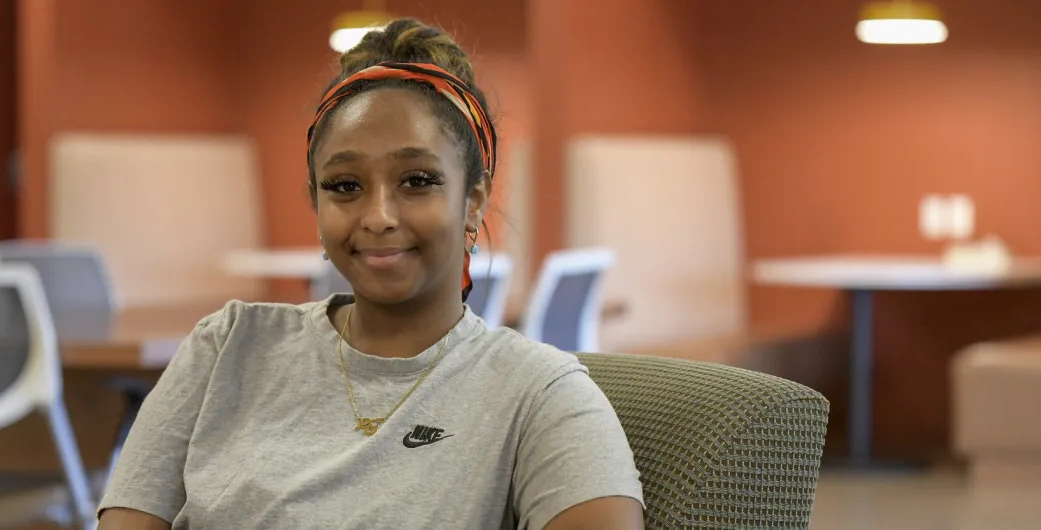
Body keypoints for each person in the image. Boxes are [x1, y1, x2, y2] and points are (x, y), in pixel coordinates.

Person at [96, 18, 644, 530]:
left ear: (473, 201)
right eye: (345, 186)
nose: (378, 217)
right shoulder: (225, 348)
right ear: (317, 204)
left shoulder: (540, 393)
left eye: (418, 180)